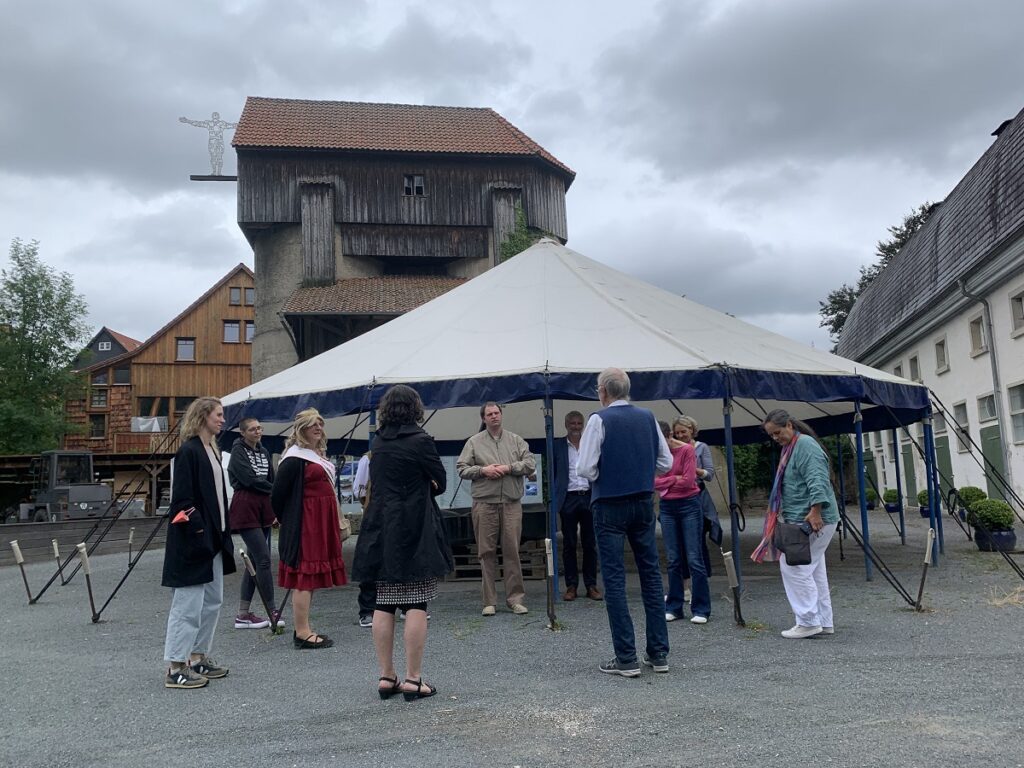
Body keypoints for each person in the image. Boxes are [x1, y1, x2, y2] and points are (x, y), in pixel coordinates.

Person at [352, 385, 452, 701]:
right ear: (415, 408)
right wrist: (424, 487)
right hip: (415, 526)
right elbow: (441, 481)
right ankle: (413, 679)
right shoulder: (421, 440)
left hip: (382, 526)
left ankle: (386, 677)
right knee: (416, 603)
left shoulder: (379, 442)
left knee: (383, 601)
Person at [578, 368, 672, 677]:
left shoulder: (598, 419)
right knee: (651, 575)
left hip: (609, 503)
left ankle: (626, 657)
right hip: (643, 500)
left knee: (615, 579)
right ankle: (658, 653)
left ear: (603, 391)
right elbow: (666, 462)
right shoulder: (648, 417)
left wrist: (607, 474)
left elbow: (585, 468)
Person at [161, 397, 236, 689]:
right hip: (194, 542)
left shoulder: (212, 451)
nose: (222, 420)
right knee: (188, 604)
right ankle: (175, 666)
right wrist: (199, 531)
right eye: (218, 415)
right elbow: (181, 501)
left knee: (212, 601)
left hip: (214, 539)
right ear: (203, 416)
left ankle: (197, 656)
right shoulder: (189, 451)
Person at [755, 408, 840, 639]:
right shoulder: (794, 446)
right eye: (772, 435)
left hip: (812, 519)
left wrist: (816, 511)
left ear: (790, 425)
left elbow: (817, 479)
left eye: (778, 432)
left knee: (794, 567)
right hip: (809, 518)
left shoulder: (804, 446)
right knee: (814, 570)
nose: (776, 438)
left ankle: (808, 621)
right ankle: (823, 621)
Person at [272, 408, 347, 649]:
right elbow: (278, 495)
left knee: (310, 578)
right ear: (301, 428)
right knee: (304, 576)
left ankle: (303, 628)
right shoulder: (295, 458)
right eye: (313, 424)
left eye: (320, 424)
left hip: (319, 520)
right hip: (306, 522)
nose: (318, 428)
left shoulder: (316, 455)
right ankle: (302, 633)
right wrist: (291, 520)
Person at [456, 402, 536, 616]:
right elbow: (461, 468)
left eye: (497, 413)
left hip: (511, 503)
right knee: (486, 552)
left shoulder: (516, 440)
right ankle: (489, 601)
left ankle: (515, 599)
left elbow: (530, 464)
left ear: (501, 415)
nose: (494, 416)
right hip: (484, 503)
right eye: (489, 414)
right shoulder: (474, 442)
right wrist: (483, 471)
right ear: (483, 418)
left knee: (512, 551)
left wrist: (509, 468)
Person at [655, 421, 708, 624]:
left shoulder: (687, 450)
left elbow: (688, 481)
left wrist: (666, 482)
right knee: (673, 558)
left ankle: (701, 608)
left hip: (688, 504)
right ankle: (674, 606)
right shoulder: (656, 452)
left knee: (694, 558)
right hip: (667, 506)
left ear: (668, 436)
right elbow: (650, 481)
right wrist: (673, 479)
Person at [227, 417, 278, 630]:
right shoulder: (238, 452)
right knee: (263, 559)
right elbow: (248, 479)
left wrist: (274, 502)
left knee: (254, 561)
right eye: (252, 429)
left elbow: (270, 477)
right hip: (245, 506)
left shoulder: (263, 451)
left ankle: (243, 613)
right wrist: (274, 488)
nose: (257, 432)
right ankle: (272, 609)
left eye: (259, 428)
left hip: (263, 506)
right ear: (243, 433)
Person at [553, 411, 601, 601]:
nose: (576, 426)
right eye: (572, 423)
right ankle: (571, 586)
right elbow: (552, 471)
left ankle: (591, 585)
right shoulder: (557, 445)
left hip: (588, 496)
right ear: (566, 424)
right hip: (568, 498)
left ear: (584, 425)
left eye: (579, 423)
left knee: (590, 543)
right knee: (569, 543)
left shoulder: (591, 444)